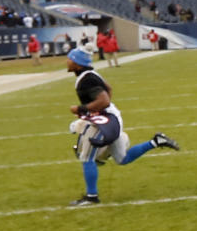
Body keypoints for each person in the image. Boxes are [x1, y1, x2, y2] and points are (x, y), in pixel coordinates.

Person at [66, 48, 180, 206]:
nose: (67, 61)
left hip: (105, 122)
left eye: (70, 59)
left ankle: (92, 196)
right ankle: (156, 141)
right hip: (112, 118)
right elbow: (109, 89)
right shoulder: (90, 75)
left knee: (86, 157)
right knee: (121, 158)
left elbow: (104, 100)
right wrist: (100, 110)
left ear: (77, 64)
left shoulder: (86, 79)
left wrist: (81, 109)